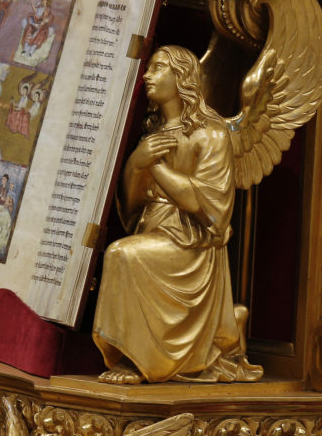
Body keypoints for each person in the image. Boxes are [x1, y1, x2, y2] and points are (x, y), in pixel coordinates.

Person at [92, 45, 262, 384]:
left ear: (182, 76)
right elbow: (130, 207)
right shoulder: (153, 133)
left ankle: (140, 360)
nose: (148, 75)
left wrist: (154, 168)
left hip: (193, 246)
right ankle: (139, 356)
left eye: (158, 68)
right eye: (149, 69)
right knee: (122, 252)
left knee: (120, 255)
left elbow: (211, 209)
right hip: (155, 230)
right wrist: (136, 164)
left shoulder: (211, 134)